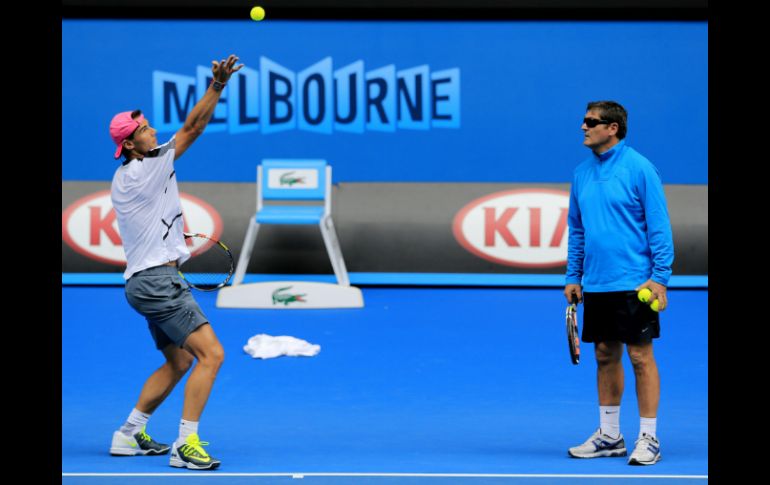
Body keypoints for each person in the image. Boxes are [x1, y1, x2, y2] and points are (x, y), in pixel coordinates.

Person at [107, 54, 243, 470]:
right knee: (211, 355)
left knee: (181, 359)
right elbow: (194, 127)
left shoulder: (125, 177)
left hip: (141, 283)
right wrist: (217, 85)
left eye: (148, 124)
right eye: (144, 130)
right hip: (159, 283)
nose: (152, 131)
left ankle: (128, 434)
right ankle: (187, 445)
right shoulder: (146, 168)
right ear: (130, 145)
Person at [564, 101, 674, 466]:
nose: (583, 127)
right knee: (604, 355)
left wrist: (660, 277)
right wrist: (573, 275)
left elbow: (659, 225)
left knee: (641, 356)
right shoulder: (581, 174)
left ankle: (649, 436)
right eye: (584, 121)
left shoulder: (640, 168)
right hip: (597, 283)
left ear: (612, 128)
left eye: (591, 122)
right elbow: (577, 231)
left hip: (635, 283)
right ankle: (610, 435)